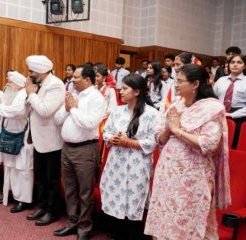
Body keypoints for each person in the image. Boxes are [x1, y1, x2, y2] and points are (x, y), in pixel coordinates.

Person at [145, 64, 231, 239]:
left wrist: (177, 131)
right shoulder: (175, 106)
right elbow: (158, 138)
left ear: (196, 84)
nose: (175, 85)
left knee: (188, 218)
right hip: (168, 173)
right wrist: (169, 131)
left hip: (193, 176)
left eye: (180, 81)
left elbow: (209, 144)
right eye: (176, 80)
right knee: (166, 215)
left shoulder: (210, 108)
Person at [100, 73, 158, 239]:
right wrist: (112, 138)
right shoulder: (117, 111)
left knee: (134, 201)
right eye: (121, 88)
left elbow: (153, 142)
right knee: (115, 197)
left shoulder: (152, 114)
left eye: (125, 88)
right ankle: (115, 233)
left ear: (137, 92)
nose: (121, 92)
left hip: (137, 164)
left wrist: (129, 143)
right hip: (116, 162)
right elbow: (106, 131)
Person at [54, 65, 105, 240]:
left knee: (85, 192)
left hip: (85, 149)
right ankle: (72, 222)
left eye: (76, 77)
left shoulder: (96, 97)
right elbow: (57, 119)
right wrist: (68, 108)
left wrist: (74, 109)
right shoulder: (73, 95)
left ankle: (85, 228)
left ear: (88, 80)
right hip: (67, 148)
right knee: (69, 189)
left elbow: (90, 123)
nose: (72, 79)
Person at [25, 55, 65, 226]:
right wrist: (30, 95)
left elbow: (45, 110)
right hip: (38, 138)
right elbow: (29, 107)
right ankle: (43, 206)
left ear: (41, 71)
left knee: (52, 179)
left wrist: (31, 95)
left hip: (51, 141)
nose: (29, 73)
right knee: (40, 177)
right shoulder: (38, 85)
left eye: (31, 70)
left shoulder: (55, 84)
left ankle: (52, 211)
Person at [0, 71, 34, 213]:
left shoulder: (23, 94)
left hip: (21, 139)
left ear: (18, 84)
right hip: (9, 137)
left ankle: (23, 200)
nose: (7, 84)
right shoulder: (11, 95)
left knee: (22, 171)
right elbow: (2, 112)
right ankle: (11, 195)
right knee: (9, 168)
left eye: (10, 82)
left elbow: (17, 112)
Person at [213, 55, 246, 149]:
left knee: (232, 145)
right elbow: (213, 98)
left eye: (239, 62)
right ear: (228, 65)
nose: (235, 65)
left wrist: (231, 115)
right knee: (216, 144)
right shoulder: (221, 80)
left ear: (245, 66)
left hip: (239, 118)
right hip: (219, 114)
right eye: (232, 62)